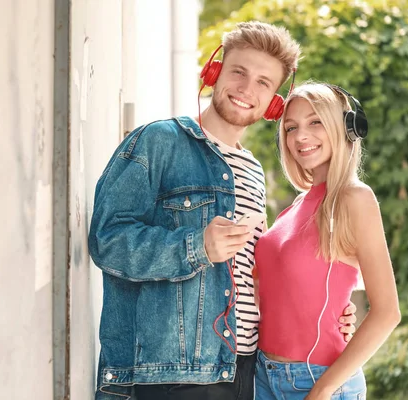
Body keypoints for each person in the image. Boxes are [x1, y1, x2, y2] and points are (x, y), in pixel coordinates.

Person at [88, 22, 357, 400]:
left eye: (264, 82)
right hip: (173, 375)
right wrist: (197, 247)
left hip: (246, 371)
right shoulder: (158, 142)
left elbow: (254, 278)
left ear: (274, 103)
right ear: (214, 72)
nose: (248, 89)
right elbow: (107, 240)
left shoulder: (253, 171)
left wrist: (325, 312)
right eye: (239, 72)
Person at [253, 82, 401, 399]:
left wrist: (322, 390)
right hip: (262, 376)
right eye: (291, 128)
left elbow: (388, 312)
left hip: (317, 381)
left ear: (346, 128)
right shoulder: (293, 208)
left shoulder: (355, 198)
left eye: (315, 122)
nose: (300, 136)